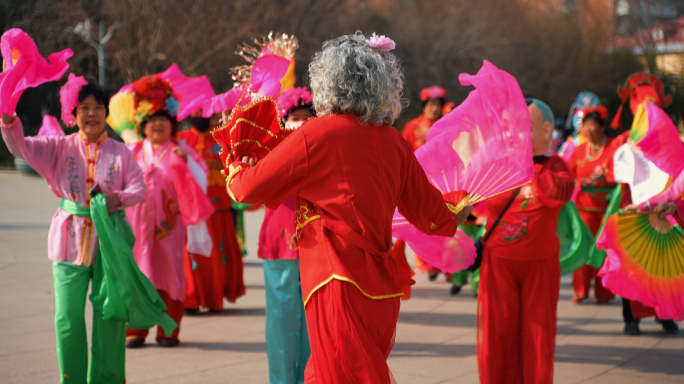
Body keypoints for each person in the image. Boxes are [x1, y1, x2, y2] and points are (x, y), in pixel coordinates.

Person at [220, 32, 472, 383]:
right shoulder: (394, 141)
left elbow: (247, 189)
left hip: (337, 283)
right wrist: (457, 210)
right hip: (383, 293)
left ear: (327, 81)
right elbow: (433, 216)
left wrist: (235, 166)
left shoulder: (317, 133)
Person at [1, 76, 145, 383]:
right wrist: (7, 121)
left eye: (98, 107)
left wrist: (117, 199)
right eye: (84, 108)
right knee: (66, 318)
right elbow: (21, 147)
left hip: (109, 242)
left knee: (110, 315)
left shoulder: (121, 153)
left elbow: (139, 186)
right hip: (69, 240)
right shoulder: (59, 147)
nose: (91, 113)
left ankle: (106, 379)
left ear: (106, 112)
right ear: (72, 112)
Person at [478, 99, 574, 384]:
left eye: (524, 128)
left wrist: (531, 165)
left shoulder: (556, 166)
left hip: (540, 265)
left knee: (537, 336)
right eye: (512, 128)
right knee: (497, 335)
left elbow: (559, 193)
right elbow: (474, 198)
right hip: (498, 263)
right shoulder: (496, 163)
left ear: (546, 131)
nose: (516, 135)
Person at [125, 75, 214, 347]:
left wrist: (186, 164)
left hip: (170, 227)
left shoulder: (182, 150)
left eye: (164, 118)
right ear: (143, 125)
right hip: (136, 227)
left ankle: (168, 330)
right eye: (152, 119)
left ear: (172, 123)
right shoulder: (133, 151)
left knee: (170, 274)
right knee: (138, 275)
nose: (158, 124)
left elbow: (202, 181)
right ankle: (136, 329)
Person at [258, 86, 315, 384]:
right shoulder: (269, 149)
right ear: (283, 119)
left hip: (316, 240)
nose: (301, 123)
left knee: (313, 320)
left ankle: (311, 378)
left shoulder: (321, 146)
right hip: (279, 240)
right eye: (295, 117)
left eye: (307, 117)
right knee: (280, 318)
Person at [178, 110, 246, 313]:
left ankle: (215, 297)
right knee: (190, 255)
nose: (199, 116)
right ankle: (191, 298)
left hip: (218, 208)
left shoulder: (222, 137)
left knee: (217, 254)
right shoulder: (180, 140)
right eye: (196, 112)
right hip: (190, 209)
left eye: (203, 112)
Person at [568, 106, 628, 304]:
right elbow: (567, 176)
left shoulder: (614, 148)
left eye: (593, 124)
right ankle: (581, 289)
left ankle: (604, 292)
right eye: (586, 124)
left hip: (607, 209)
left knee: (605, 250)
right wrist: (578, 182)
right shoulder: (578, 151)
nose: (589, 129)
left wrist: (607, 176)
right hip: (583, 209)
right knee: (583, 248)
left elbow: (623, 175)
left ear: (603, 127)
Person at [401, 85, 449, 279]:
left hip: (444, 181)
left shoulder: (447, 124)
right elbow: (403, 151)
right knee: (421, 222)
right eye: (430, 104)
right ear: (423, 106)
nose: (433, 108)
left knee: (444, 219)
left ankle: (445, 263)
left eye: (437, 104)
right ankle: (427, 262)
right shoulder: (412, 127)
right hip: (419, 181)